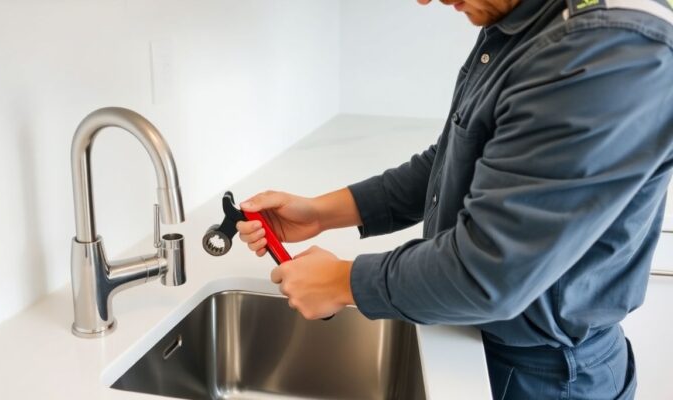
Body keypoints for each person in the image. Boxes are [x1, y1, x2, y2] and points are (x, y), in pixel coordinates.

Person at [235, 0, 673, 398]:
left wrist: (340, 281)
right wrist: (322, 213)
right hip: (483, 342)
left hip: (546, 379)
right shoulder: (523, 19)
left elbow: (487, 272)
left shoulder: (604, 52)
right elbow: (457, 158)